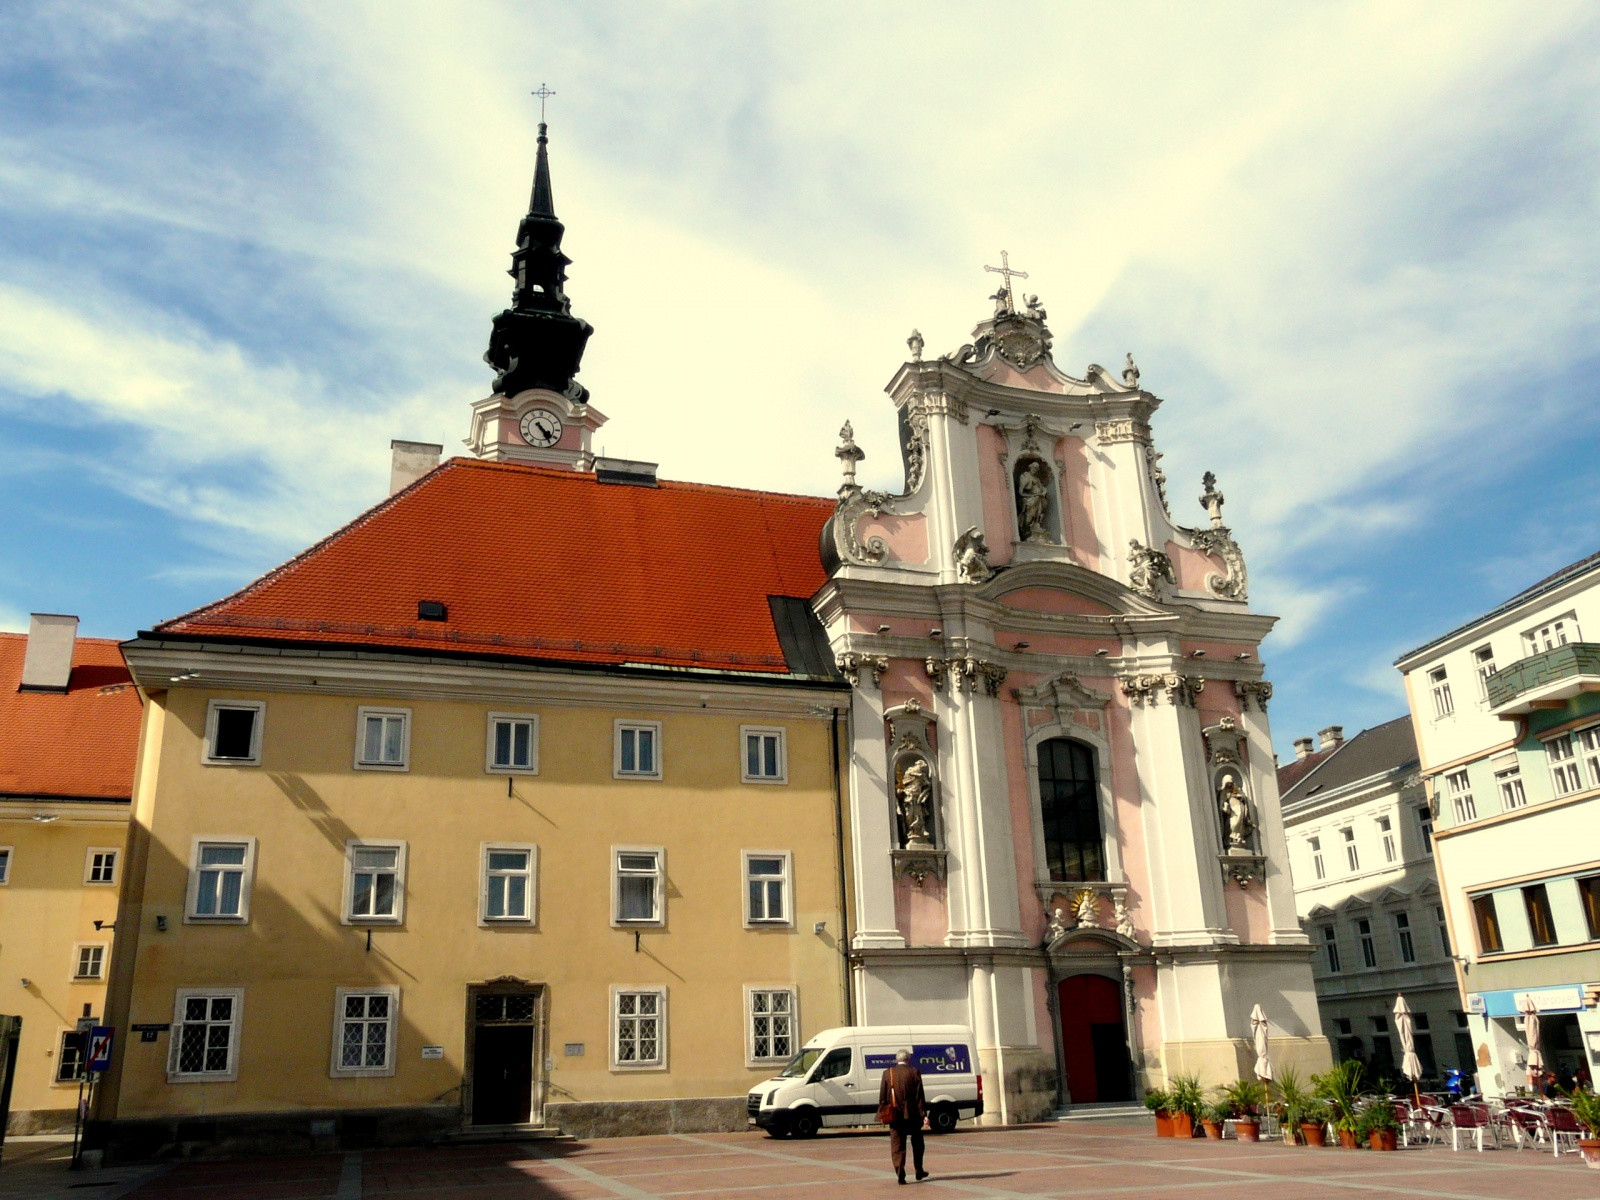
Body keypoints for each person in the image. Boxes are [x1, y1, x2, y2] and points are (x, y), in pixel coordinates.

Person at [879, 1049, 928, 1184]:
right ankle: (919, 1170)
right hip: (912, 1115)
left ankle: (900, 1171)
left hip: (895, 1116)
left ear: (897, 1060)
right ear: (908, 1059)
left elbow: (883, 1097)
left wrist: (883, 1114)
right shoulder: (914, 1072)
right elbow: (920, 1096)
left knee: (897, 1145)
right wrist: (923, 1114)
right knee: (918, 1143)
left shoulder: (887, 1074)